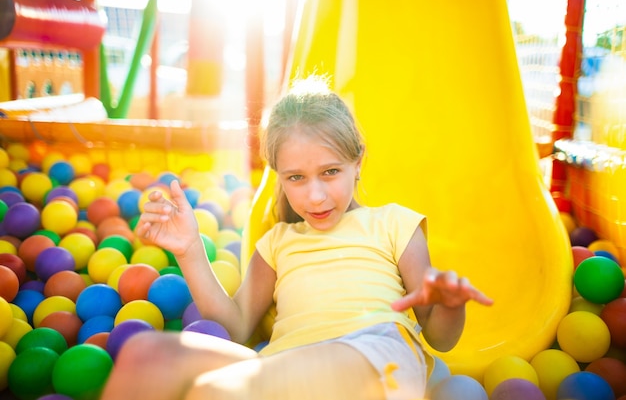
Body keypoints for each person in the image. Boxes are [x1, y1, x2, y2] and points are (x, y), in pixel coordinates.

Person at [101, 75, 493, 400]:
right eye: (296, 178)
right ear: (279, 176)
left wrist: (450, 305)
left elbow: (440, 338)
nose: (316, 196)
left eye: (330, 172)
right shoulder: (277, 242)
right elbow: (236, 328)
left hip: (377, 355)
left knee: (217, 392)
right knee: (144, 354)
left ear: (357, 162)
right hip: (284, 362)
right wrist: (189, 250)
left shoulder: (393, 223)